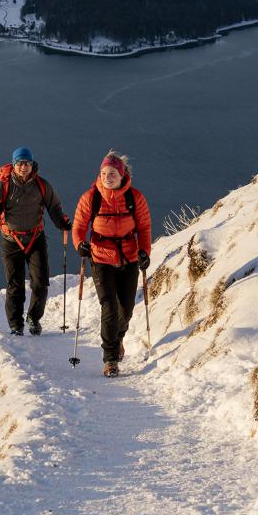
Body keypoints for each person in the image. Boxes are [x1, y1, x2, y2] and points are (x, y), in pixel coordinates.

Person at [71, 150, 152, 377]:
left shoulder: (135, 198)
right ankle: (110, 358)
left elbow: (144, 228)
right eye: (104, 172)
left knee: (125, 309)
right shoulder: (91, 197)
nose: (108, 176)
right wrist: (80, 245)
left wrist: (145, 251)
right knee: (108, 306)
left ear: (122, 174)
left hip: (129, 258)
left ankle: (118, 340)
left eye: (113, 173)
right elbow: (78, 227)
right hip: (101, 258)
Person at [0, 147, 72, 336]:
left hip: (35, 238)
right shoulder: (3, 186)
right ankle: (16, 325)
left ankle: (33, 318)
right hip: (11, 240)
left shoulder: (42, 185)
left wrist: (62, 223)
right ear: (14, 165)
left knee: (40, 283)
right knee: (15, 285)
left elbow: (54, 207)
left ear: (32, 165)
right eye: (20, 163)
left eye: (27, 163)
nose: (24, 167)